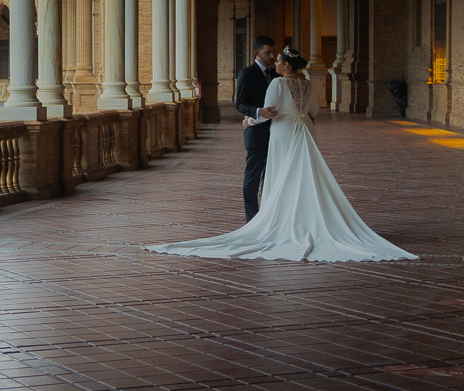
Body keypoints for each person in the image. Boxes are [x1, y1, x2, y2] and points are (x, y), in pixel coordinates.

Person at [147, 48, 415, 262]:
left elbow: (269, 111)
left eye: (278, 61)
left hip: (284, 130)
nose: (275, 63)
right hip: (305, 129)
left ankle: (284, 220)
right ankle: (308, 218)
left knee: (282, 173)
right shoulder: (306, 84)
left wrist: (249, 121)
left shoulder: (278, 83)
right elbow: (314, 112)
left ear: (286, 65)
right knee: (304, 174)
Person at [235, 36, 279, 221]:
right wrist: (258, 112)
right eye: (268, 52)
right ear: (256, 53)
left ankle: (267, 218)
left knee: (269, 176)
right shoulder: (247, 73)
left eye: (273, 52)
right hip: (255, 133)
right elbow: (240, 104)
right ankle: (252, 219)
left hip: (276, 132)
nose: (272, 56)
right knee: (252, 178)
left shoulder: (276, 75)